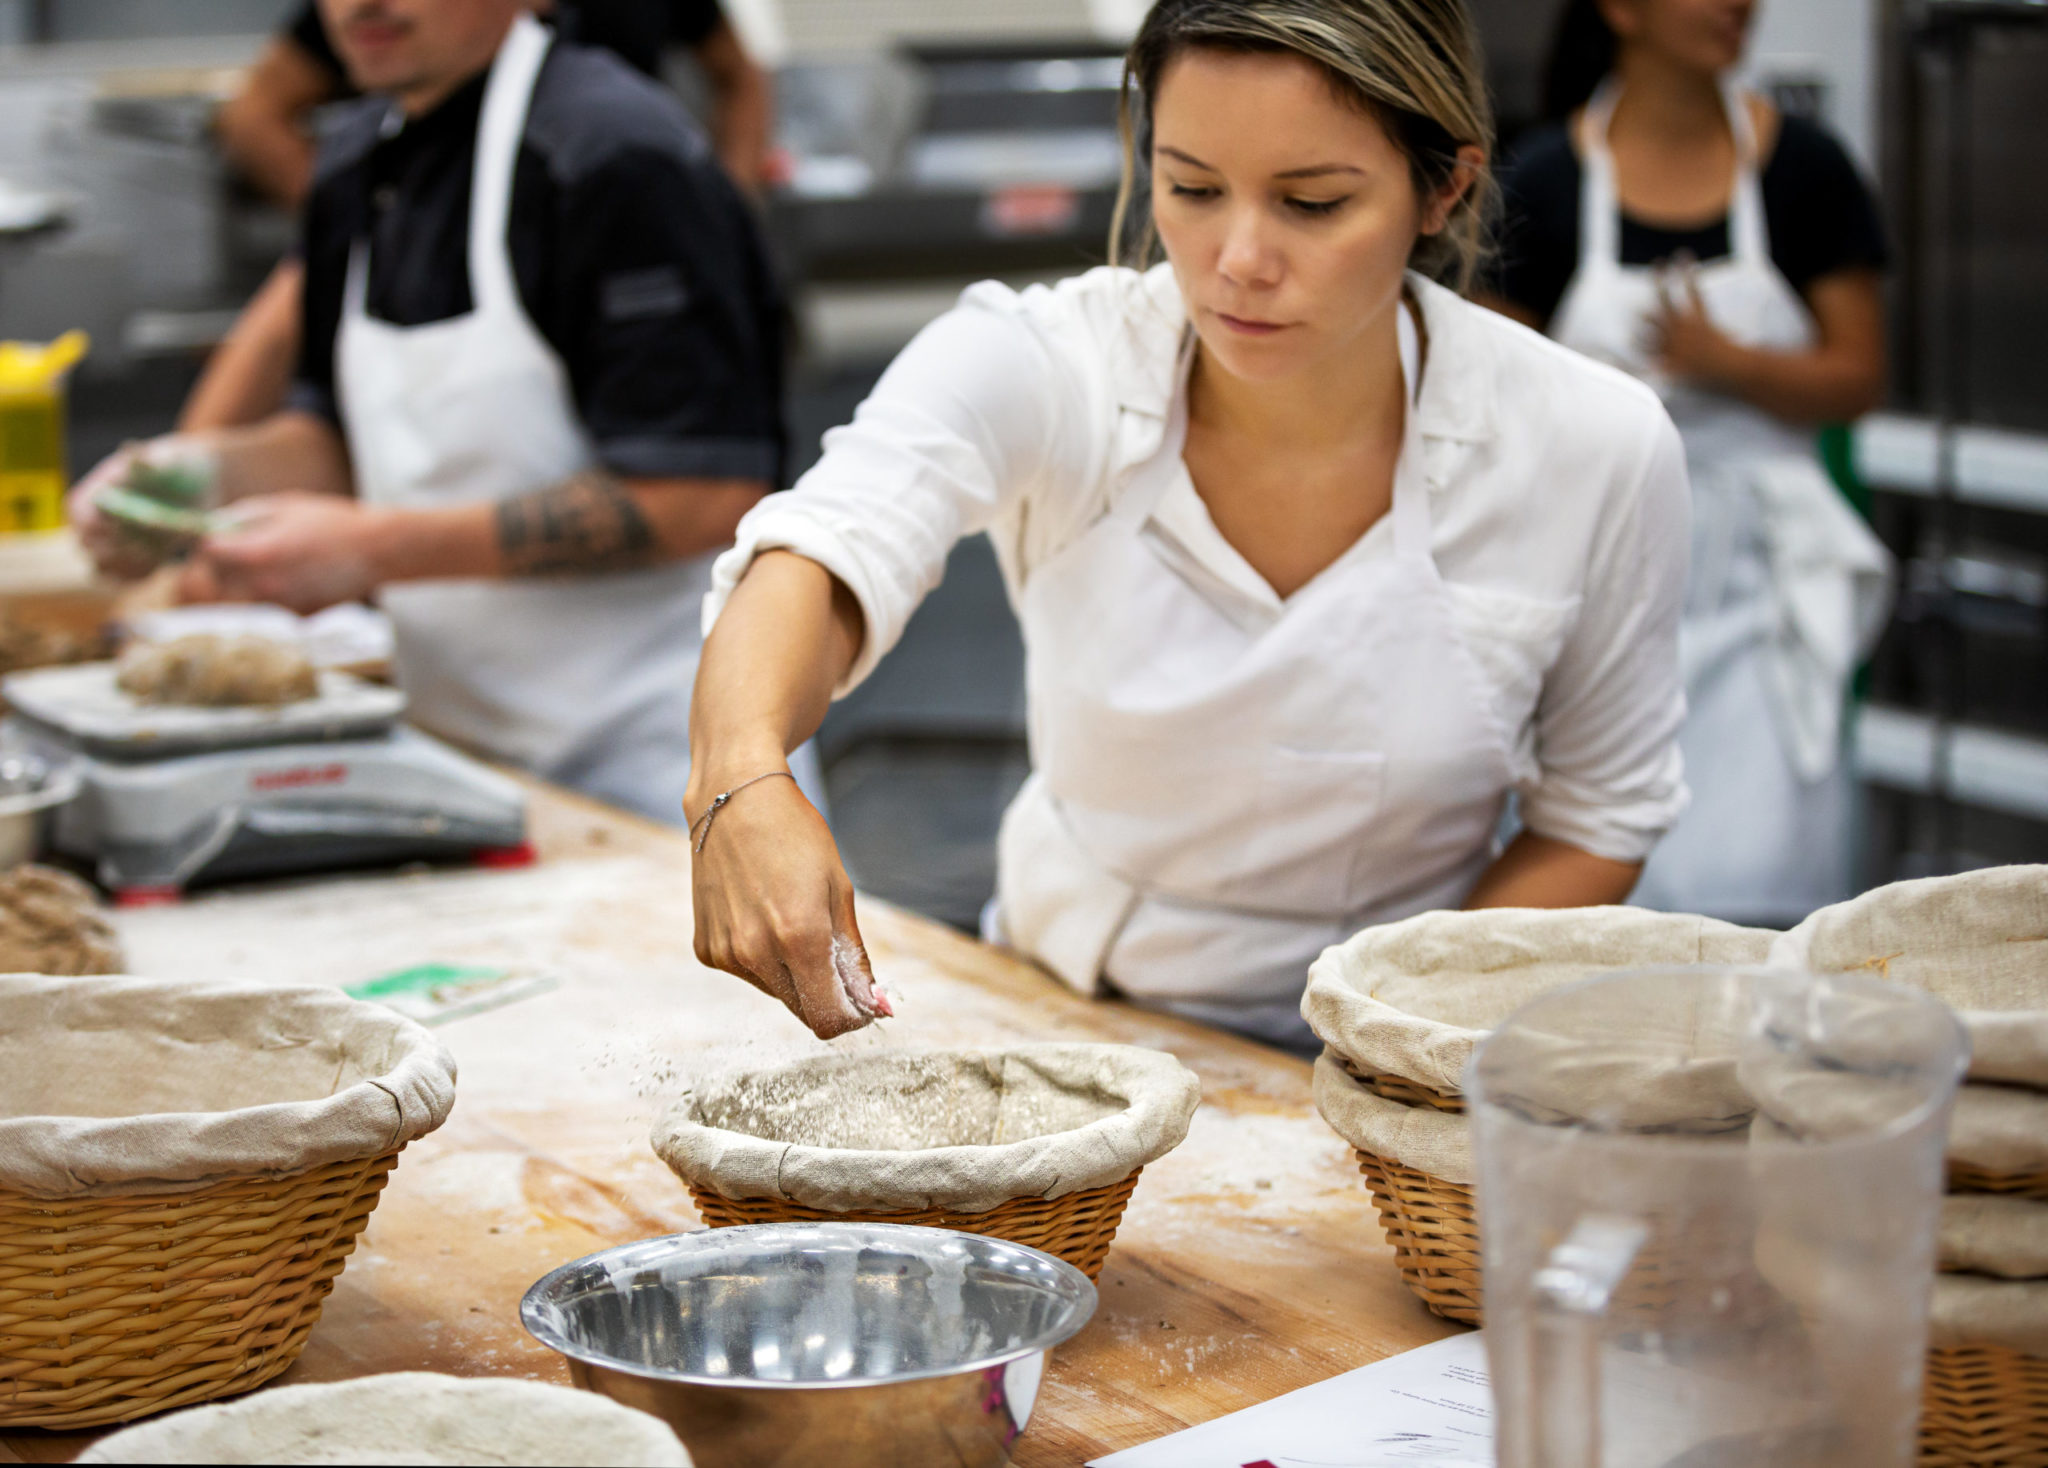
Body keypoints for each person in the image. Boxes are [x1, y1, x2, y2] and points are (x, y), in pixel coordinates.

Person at [683, 0, 1693, 1045]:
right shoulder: (1053, 363)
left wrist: (1393, 1033)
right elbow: (823, 549)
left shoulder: (1591, 447)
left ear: (1443, 187)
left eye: (1309, 202)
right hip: (1062, 1017)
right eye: (1192, 188)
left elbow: (1595, 816)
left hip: (1397, 1044)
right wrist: (743, 776)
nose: (1238, 258)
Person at [71, 0, 785, 826]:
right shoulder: (355, 166)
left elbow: (705, 493)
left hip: (672, 768)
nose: (362, 5)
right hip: (467, 764)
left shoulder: (615, 157)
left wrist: (369, 549)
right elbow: (348, 438)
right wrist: (196, 477)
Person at [1488, 0, 1892, 928]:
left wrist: (1732, 367)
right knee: (1599, 877)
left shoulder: (1805, 169)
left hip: (1763, 591)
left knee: (1767, 880)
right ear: (1622, 8)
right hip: (1598, 581)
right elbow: (1492, 395)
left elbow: (1859, 375)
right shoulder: (1545, 181)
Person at [187, 0, 771, 433]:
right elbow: (253, 116)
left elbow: (697, 491)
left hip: (616, 233)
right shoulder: (364, 154)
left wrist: (731, 206)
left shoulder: (620, 152)